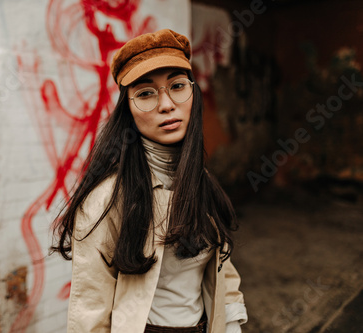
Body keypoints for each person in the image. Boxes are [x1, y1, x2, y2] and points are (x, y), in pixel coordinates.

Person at [50, 29, 248, 333]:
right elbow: (90, 310)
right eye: (145, 93)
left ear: (193, 93)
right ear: (127, 111)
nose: (166, 104)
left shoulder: (201, 180)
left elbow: (222, 266)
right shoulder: (107, 199)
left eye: (177, 86)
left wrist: (232, 324)